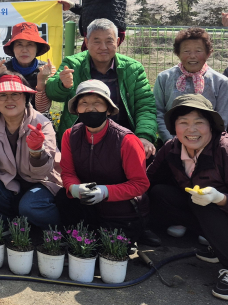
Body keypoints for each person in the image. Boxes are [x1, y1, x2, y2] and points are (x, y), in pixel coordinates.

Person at [147, 94, 228, 301]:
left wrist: (220, 198)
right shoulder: (171, 147)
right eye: (183, 122)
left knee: (204, 204)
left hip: (220, 210)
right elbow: (148, 180)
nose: (191, 130)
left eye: (199, 122)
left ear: (211, 126)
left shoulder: (224, 149)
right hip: (205, 212)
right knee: (161, 193)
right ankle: (217, 245)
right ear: (174, 127)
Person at [58, 80, 155, 245]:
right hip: (88, 205)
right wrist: (74, 188)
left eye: (97, 103)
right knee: (63, 197)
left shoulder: (126, 140)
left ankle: (138, 231)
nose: (90, 108)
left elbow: (140, 184)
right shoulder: (70, 135)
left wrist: (105, 192)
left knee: (106, 252)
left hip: (120, 210)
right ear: (77, 109)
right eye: (83, 103)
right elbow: (68, 172)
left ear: (109, 109)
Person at [46, 18, 157, 158]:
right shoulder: (73, 64)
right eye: (97, 41)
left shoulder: (133, 68)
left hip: (123, 137)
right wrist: (62, 85)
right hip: (81, 136)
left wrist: (144, 136)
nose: (103, 47)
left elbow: (145, 105)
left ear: (117, 41)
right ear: (86, 42)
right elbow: (52, 92)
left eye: (109, 41)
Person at [0, 72, 61, 228]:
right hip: (10, 182)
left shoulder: (41, 123)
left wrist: (37, 151)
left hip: (42, 182)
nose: (9, 100)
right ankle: (8, 225)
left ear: (25, 97)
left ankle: (63, 229)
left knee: (29, 207)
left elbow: (43, 172)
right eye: (2, 95)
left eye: (15, 94)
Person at [154, 27, 228, 142]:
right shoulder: (164, 78)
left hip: (209, 144)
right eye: (186, 51)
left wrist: (204, 145)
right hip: (170, 142)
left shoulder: (221, 82)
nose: (192, 56)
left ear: (208, 53)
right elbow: (158, 111)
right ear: (177, 53)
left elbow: (222, 120)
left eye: (198, 51)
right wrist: (169, 141)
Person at [0, 22, 53, 113]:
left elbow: (42, 109)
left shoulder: (47, 70)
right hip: (10, 118)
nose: (24, 50)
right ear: (13, 48)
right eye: (19, 45)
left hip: (38, 119)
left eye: (30, 44)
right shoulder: (2, 70)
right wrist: (1, 78)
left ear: (37, 48)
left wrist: (41, 81)